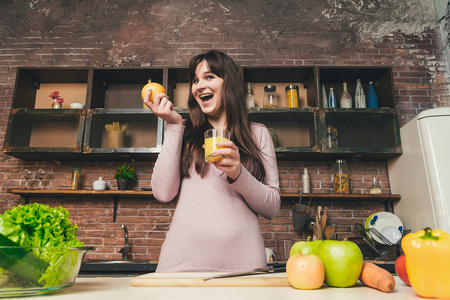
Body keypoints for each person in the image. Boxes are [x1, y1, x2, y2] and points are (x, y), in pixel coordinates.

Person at [144, 50, 281, 272]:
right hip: (181, 264)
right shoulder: (184, 132)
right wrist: (174, 125)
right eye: (195, 80)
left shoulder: (258, 134)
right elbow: (163, 193)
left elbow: (272, 207)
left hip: (242, 266)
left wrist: (238, 173)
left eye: (209, 77)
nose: (199, 86)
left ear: (229, 83)